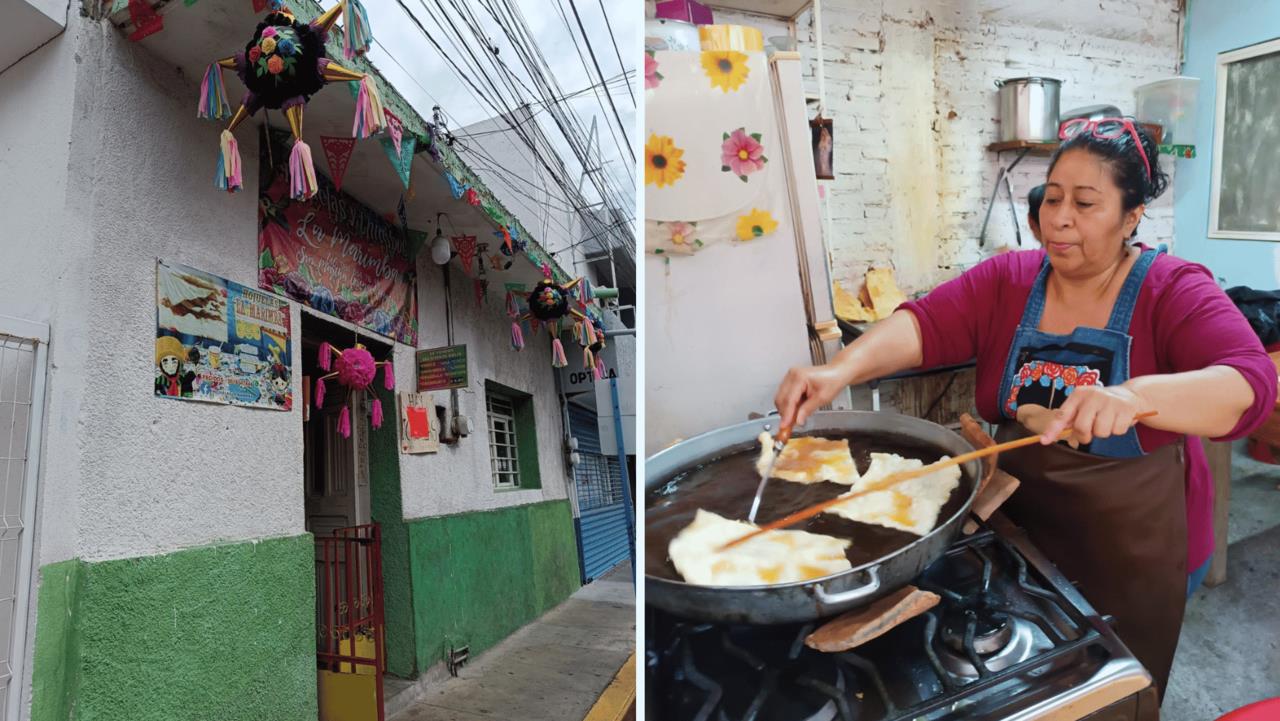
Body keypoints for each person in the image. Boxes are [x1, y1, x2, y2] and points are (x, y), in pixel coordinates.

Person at [774, 118, 1276, 699]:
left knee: (1113, 695)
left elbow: (1248, 382)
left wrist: (1135, 396)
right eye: (1053, 197)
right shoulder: (1010, 280)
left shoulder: (1173, 288)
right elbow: (926, 324)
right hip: (1020, 539)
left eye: (1086, 204)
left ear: (1132, 216)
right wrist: (838, 370)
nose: (1059, 218)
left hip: (1134, 549)